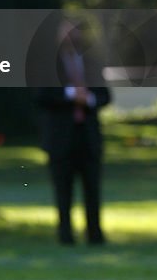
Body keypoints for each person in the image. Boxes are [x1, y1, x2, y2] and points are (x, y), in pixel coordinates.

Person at [35, 19, 111, 246]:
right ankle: (65, 234)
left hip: (87, 137)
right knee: (63, 190)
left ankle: (94, 234)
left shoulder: (91, 63)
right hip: (60, 139)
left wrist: (87, 98)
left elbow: (105, 96)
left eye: (74, 32)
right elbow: (42, 96)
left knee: (92, 189)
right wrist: (70, 95)